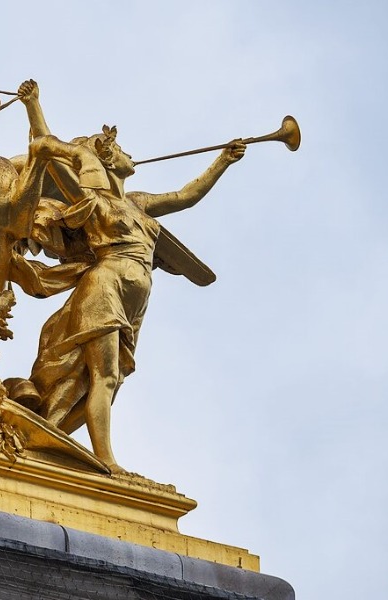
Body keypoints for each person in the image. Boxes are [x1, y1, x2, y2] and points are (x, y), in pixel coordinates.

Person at [17, 80, 245, 473]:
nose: (128, 153)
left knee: (104, 380)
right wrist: (33, 105)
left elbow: (186, 196)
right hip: (105, 286)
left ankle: (46, 431)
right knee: (103, 377)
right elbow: (47, 151)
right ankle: (106, 460)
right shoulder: (91, 199)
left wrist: (222, 161)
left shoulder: (138, 203)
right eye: (119, 149)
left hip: (135, 299)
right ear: (106, 158)